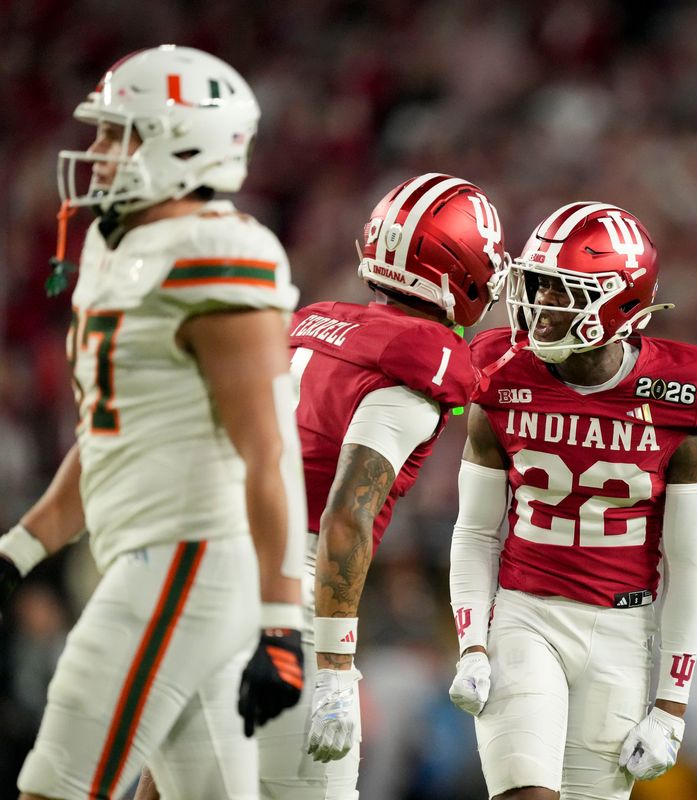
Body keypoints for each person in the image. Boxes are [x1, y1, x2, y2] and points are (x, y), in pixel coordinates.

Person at [0, 45, 307, 800]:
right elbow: (109, 437)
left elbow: (270, 452)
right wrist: (16, 552)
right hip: (153, 554)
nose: (98, 154)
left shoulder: (217, 251)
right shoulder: (118, 244)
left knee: (55, 786)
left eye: (117, 134)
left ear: (183, 142)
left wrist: (282, 623)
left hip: (188, 559)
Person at [447, 201, 697, 800]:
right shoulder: (498, 371)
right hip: (525, 616)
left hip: (623, 632)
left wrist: (672, 705)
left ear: (620, 303)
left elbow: (687, 565)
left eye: (562, 291)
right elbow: (477, 530)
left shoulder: (686, 392)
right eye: (538, 284)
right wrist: (474, 643)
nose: (540, 307)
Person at [254, 172, 508, 799]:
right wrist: (336, 671)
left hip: (214, 573)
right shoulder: (417, 361)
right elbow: (346, 515)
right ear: (463, 270)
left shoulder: (317, 321)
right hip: (293, 599)